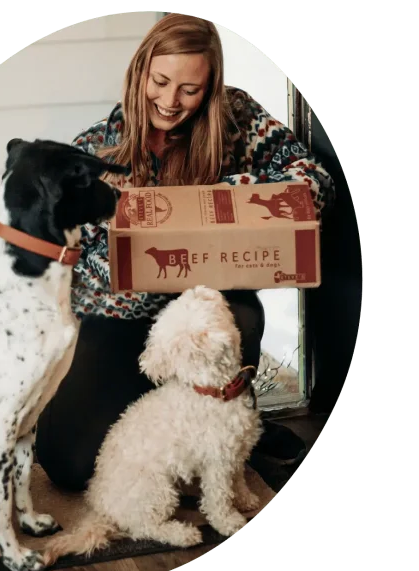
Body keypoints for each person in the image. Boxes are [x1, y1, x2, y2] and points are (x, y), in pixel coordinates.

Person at [35, 12, 335, 492]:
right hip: (120, 317)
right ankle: (171, 411)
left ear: (210, 88)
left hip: (205, 305)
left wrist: (218, 199)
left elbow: (314, 184)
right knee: (68, 464)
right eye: (161, 81)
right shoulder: (98, 149)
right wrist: (127, 248)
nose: (171, 102)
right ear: (141, 72)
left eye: (190, 90)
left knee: (241, 318)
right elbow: (61, 252)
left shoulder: (236, 118)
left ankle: (230, 424)